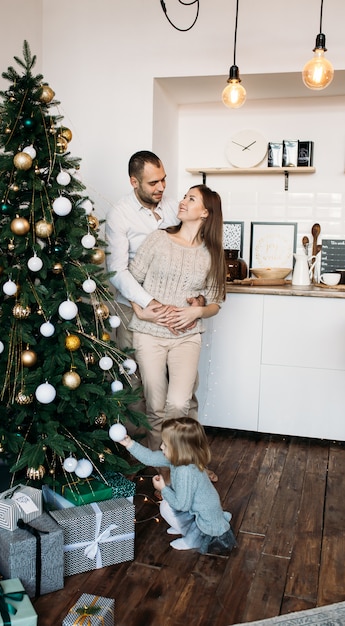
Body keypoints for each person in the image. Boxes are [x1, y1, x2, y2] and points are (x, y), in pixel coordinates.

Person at [105, 151, 202, 427]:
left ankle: (188, 457)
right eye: (152, 183)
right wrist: (149, 304)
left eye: (163, 180)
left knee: (184, 385)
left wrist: (196, 298)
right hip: (133, 310)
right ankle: (143, 460)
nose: (161, 187)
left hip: (176, 309)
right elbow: (117, 270)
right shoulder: (119, 215)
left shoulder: (174, 208)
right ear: (134, 182)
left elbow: (194, 250)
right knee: (136, 384)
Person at [128, 184, 226, 451]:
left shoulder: (213, 253)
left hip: (187, 338)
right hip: (149, 335)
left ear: (205, 213)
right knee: (156, 407)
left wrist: (197, 311)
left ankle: (180, 463)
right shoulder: (158, 239)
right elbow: (131, 282)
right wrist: (140, 311)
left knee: (179, 405)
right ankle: (162, 472)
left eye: (191, 199)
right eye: (184, 196)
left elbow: (216, 301)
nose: (182, 201)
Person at [119, 417, 237, 554]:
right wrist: (129, 444)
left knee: (165, 507)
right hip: (194, 507)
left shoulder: (185, 471)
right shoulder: (179, 459)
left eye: (166, 445)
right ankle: (183, 526)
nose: (161, 446)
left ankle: (192, 538)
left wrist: (162, 488)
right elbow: (150, 458)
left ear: (180, 450)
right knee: (167, 502)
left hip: (202, 516)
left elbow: (181, 506)